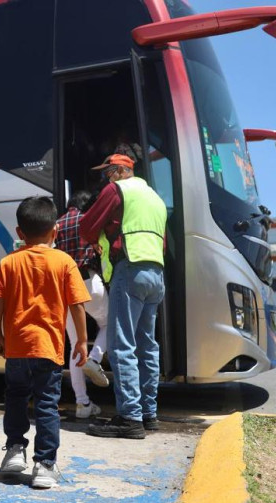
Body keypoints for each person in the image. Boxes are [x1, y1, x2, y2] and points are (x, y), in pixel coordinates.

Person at [0, 196, 90, 489]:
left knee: (16, 397)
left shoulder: (9, 262)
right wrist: (82, 341)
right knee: (47, 404)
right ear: (55, 231)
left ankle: (14, 450)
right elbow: (77, 305)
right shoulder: (64, 262)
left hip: (17, 348)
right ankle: (44, 465)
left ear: (20, 233)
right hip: (48, 348)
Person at [79, 153, 167, 439]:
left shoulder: (117, 190)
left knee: (122, 345)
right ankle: (148, 413)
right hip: (156, 274)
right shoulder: (155, 197)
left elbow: (86, 227)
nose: (106, 179)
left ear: (119, 171)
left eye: (108, 173)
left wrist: (100, 239)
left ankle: (129, 417)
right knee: (147, 345)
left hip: (129, 270)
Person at [54, 190, 110, 420]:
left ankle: (82, 404)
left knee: (76, 343)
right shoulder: (89, 219)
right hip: (88, 281)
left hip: (65, 287)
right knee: (109, 324)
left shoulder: (56, 224)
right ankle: (95, 358)